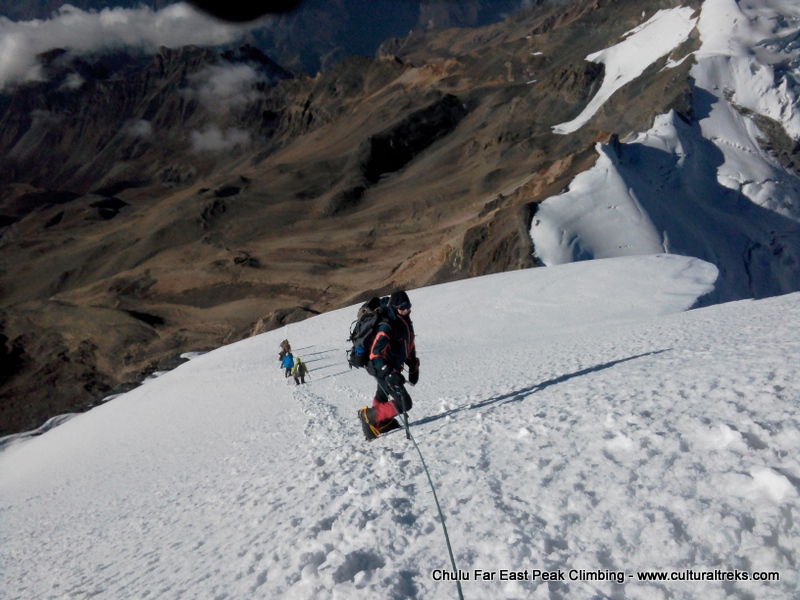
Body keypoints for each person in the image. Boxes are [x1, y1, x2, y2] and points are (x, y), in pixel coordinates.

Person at [358, 290, 420, 440]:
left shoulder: (405, 320)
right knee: (404, 403)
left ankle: (382, 422)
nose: (406, 310)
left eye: (408, 307)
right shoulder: (387, 326)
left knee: (382, 394)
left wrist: (412, 364)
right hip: (381, 368)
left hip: (393, 368)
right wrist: (389, 372)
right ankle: (369, 417)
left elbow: (408, 343)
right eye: (403, 307)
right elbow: (375, 355)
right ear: (394, 306)